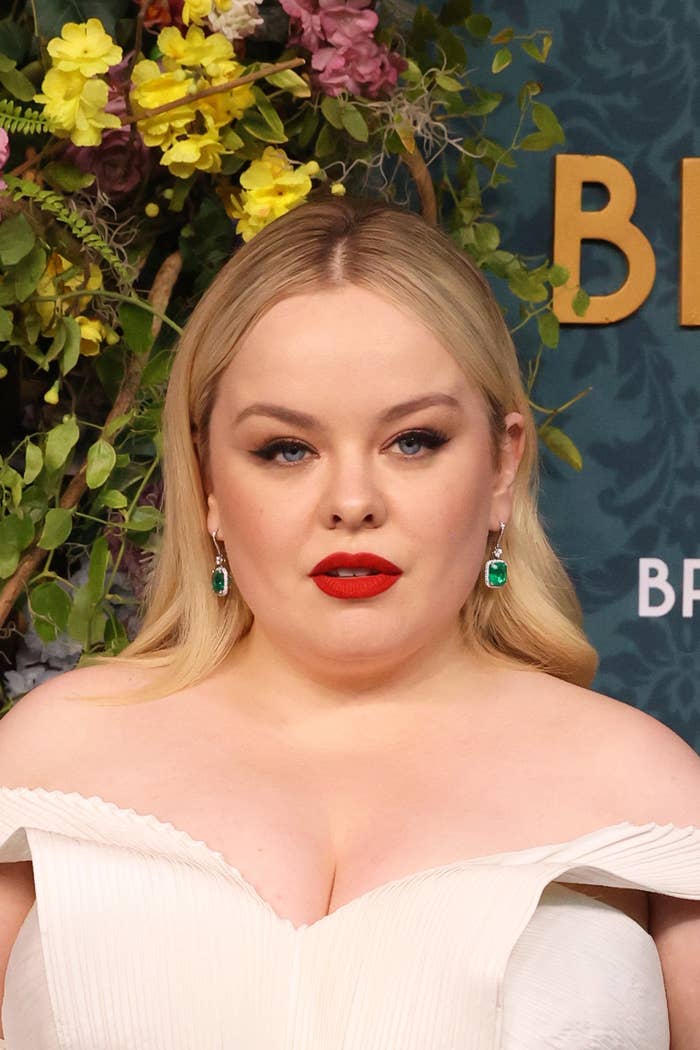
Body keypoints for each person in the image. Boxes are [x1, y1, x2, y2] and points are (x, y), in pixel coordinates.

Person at [0, 194, 698, 1049]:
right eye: (286, 450)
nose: (353, 503)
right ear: (209, 481)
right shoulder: (47, 760)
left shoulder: (647, 791)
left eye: (413, 440)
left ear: (502, 465)